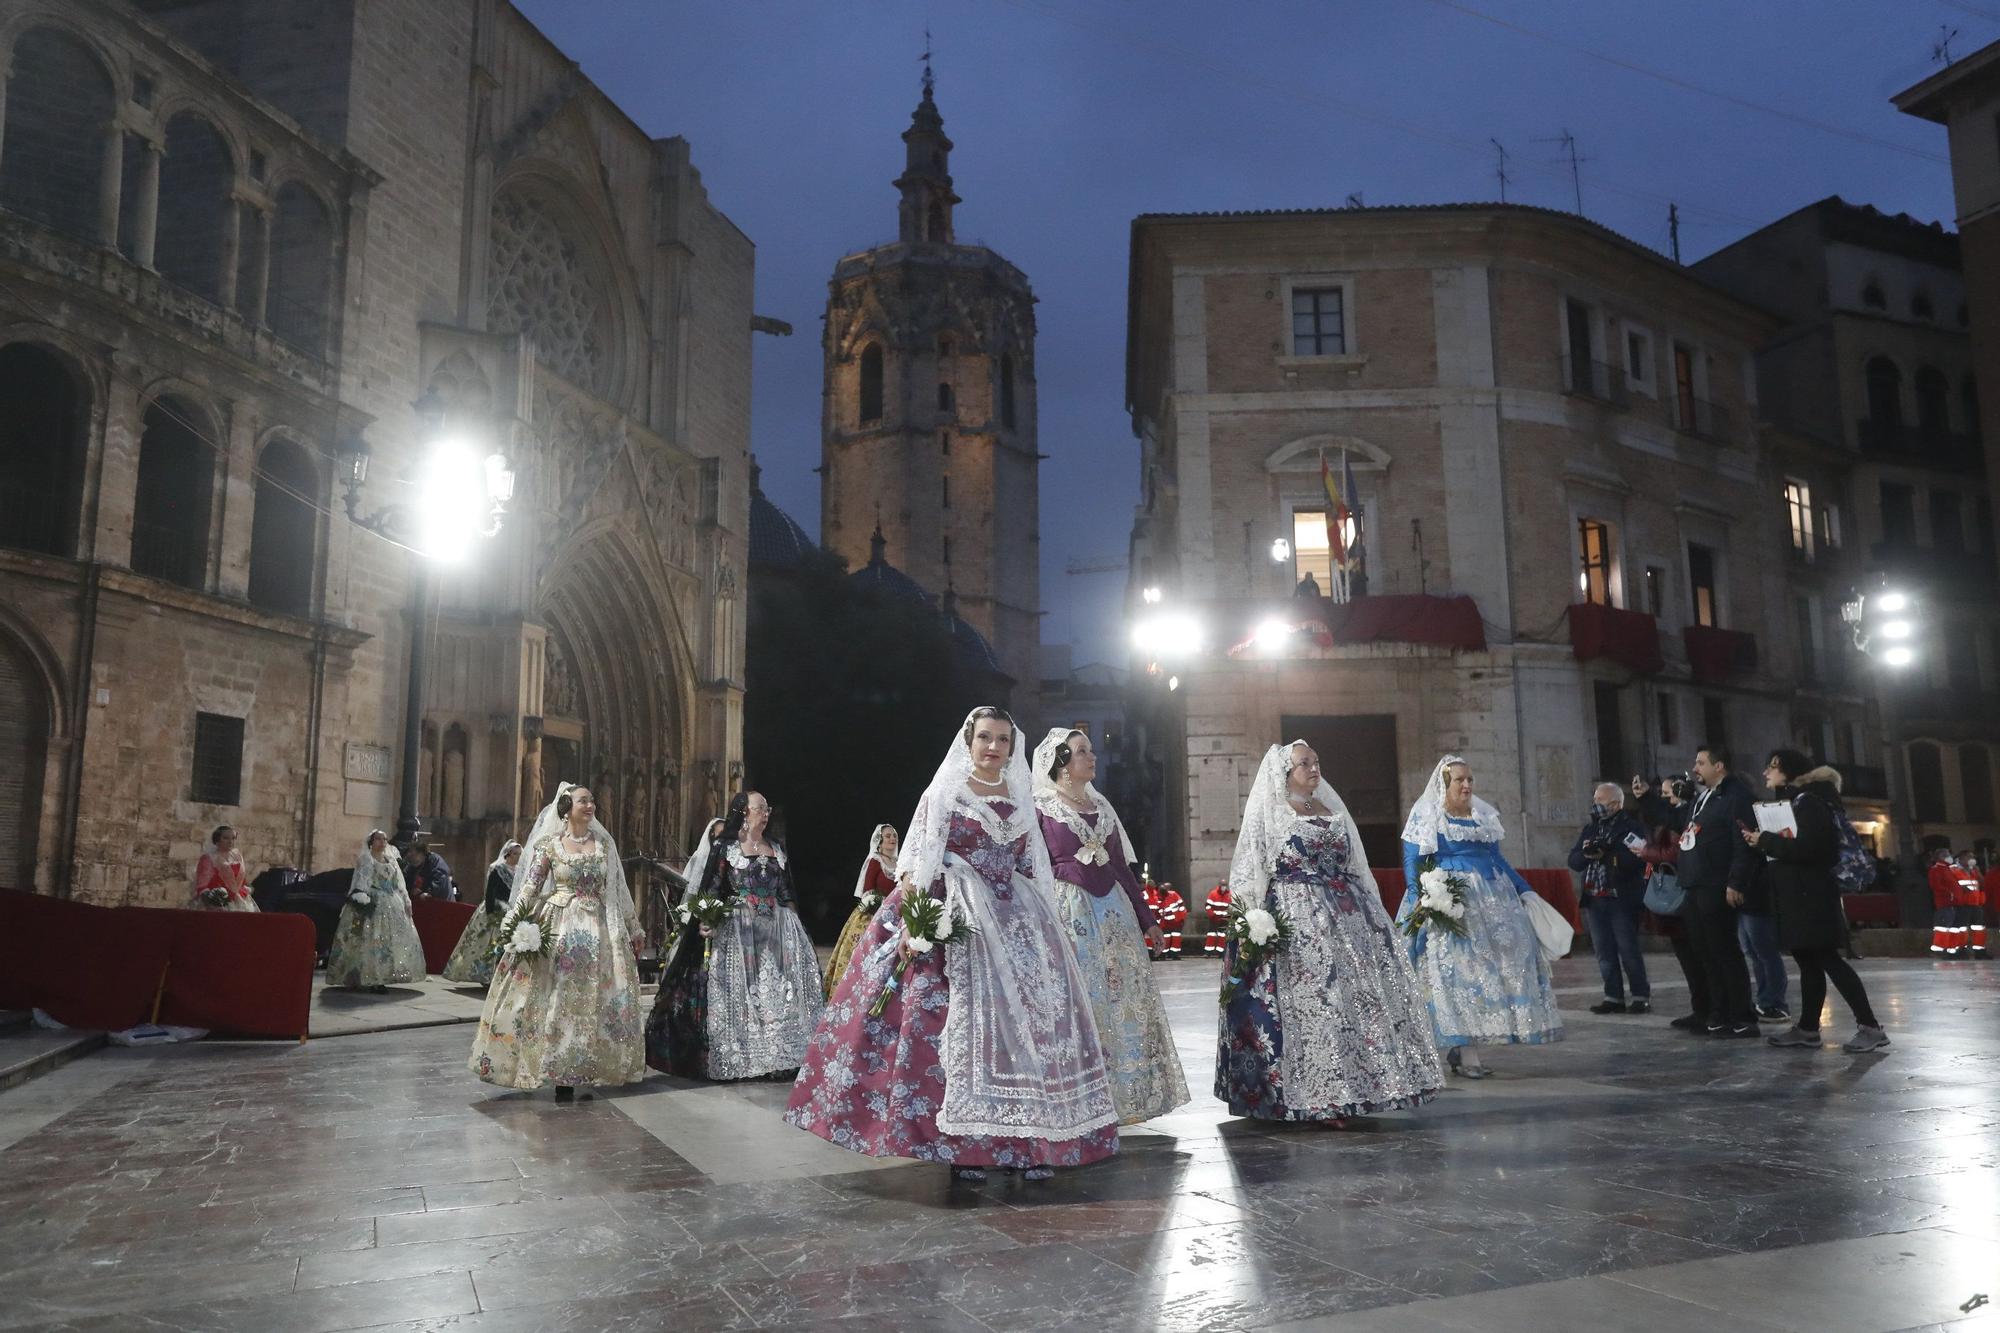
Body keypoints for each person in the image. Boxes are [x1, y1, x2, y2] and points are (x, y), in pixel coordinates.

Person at [786, 707, 1119, 1182]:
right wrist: (914, 924)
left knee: (1028, 1029)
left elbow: (1032, 861)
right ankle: (967, 1148)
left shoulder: (1022, 793)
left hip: (1018, 916)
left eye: (1002, 740)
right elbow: (920, 857)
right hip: (958, 911)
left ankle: (1028, 1141)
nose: (993, 748)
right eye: (985, 737)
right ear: (969, 741)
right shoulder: (946, 791)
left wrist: (1048, 922)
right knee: (958, 1027)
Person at [1218, 741, 1444, 1122]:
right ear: (1284, 773)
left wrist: (1375, 915)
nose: (1313, 768)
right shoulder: (1272, 813)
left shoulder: (1331, 809)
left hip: (1348, 916)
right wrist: (1250, 921)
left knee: (1354, 1001)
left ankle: (1357, 1088)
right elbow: (1250, 865)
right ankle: (1319, 1095)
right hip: (1296, 916)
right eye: (1304, 763)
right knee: (1315, 1002)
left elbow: (1356, 863)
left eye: (1316, 761)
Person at [1033, 727, 1189, 1125]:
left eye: (1091, 750)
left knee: (1121, 998)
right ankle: (1078, 1098)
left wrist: (1147, 920)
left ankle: (1123, 1096)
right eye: (1083, 751)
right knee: (1080, 1000)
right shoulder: (1041, 807)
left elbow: (1121, 868)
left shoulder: (1102, 808)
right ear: (1063, 763)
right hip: (1069, 911)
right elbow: (1033, 867)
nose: (1093, 757)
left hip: (1114, 913)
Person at [470, 784, 645, 1099]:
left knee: (595, 1000)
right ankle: (560, 1072)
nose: (591, 805)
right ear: (567, 808)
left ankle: (587, 1068)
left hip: (599, 931)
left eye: (592, 800)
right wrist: (514, 924)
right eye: (583, 801)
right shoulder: (549, 846)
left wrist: (633, 928)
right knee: (560, 1000)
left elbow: (618, 889)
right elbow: (530, 888)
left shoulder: (604, 844)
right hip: (560, 927)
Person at [1398, 755, 1564, 1077]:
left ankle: (1466, 1050)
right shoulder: (1430, 817)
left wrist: (1524, 890)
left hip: (1493, 900)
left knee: (1501, 967)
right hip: (1452, 901)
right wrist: (1421, 899)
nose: (1467, 785)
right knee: (1461, 974)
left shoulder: (1482, 817)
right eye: (1459, 780)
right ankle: (1466, 1052)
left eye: (1470, 779)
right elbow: (1412, 860)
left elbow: (1498, 861)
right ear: (1445, 784)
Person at [648, 790, 823, 1080]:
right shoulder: (727, 847)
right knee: (741, 993)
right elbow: (713, 888)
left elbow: (787, 890)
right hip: (739, 930)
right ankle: (743, 1057)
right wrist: (707, 918)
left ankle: (779, 1056)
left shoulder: (776, 847)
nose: (765, 814)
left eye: (767, 809)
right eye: (760, 808)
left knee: (779, 992)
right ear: (744, 812)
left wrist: (797, 929)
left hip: (776, 928)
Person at [1743, 752, 1889, 1053]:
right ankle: (1808, 1029)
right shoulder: (1798, 801)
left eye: (1772, 766)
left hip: (1811, 896)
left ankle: (1870, 1027)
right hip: (1799, 894)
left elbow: (1813, 848)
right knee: (1809, 961)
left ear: (1789, 771)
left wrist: (1766, 841)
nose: (1766, 772)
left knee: (1827, 959)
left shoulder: (1808, 802)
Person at [1659, 745, 1761, 1038]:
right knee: (1704, 952)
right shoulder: (1704, 798)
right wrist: (1646, 801)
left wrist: (1736, 882)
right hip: (1695, 883)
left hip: (1717, 883)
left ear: (1719, 766)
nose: (1695, 768)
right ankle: (1716, 1012)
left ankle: (1741, 1015)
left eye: (1701, 762)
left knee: (1724, 951)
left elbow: (1743, 844)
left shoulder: (1736, 796)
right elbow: (1682, 825)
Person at [1567, 782, 1650, 1014]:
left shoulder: (1632, 828)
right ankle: (1613, 996)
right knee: (1603, 951)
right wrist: (1586, 853)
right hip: (1595, 898)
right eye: (1594, 800)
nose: (1595, 805)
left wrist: (1608, 854)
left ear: (1615, 804)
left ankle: (1640, 995)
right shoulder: (1590, 829)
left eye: (1599, 801)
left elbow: (1638, 859)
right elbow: (1573, 861)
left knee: (1628, 949)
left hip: (1621, 898)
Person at [326, 829, 426, 991]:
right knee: (369, 940)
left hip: (392, 903)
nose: (382, 842)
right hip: (373, 902)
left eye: (385, 839)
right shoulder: (367, 859)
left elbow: (398, 882)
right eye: (379, 839)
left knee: (387, 943)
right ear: (371, 842)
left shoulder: (391, 859)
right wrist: (361, 897)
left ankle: (382, 976)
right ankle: (365, 976)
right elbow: (361, 880)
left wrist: (405, 900)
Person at [824, 825, 898, 994]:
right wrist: (876, 906)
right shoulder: (875, 860)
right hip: (872, 913)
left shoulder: (899, 864)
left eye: (894, 836)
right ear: (879, 841)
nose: (892, 839)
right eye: (887, 836)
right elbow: (868, 890)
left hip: (893, 916)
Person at [442, 840, 523, 986]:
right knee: (486, 943)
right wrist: (491, 911)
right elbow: (490, 891)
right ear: (508, 854)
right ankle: (485, 975)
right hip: (496, 909)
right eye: (515, 854)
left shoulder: (519, 871)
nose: (518, 857)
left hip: (511, 910)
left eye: (519, 854)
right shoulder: (497, 869)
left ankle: (502, 974)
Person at [189, 826, 257, 911]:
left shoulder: (237, 856)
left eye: (233, 838)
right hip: (217, 903)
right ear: (217, 839)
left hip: (239, 901)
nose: (230, 842)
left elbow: (242, 880)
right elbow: (202, 885)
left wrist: (247, 889)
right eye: (225, 838)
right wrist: (213, 902)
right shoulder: (209, 858)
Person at [1928, 847, 1961, 956]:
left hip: (1953, 902)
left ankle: (1951, 949)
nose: (1949, 857)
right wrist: (1950, 894)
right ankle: (1942, 950)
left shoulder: (1948, 869)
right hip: (1945, 903)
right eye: (1946, 855)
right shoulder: (1936, 869)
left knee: (1952, 928)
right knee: (1944, 927)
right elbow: (1936, 885)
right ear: (1940, 857)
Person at [1957, 852, 1988, 958]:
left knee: (1979, 928)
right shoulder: (1955, 870)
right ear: (1961, 859)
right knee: (1962, 929)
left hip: (1976, 903)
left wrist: (1977, 871)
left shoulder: (1973, 870)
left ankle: (1980, 952)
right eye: (1969, 857)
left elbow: (1983, 883)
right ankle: (1961, 952)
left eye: (1973, 857)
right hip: (1963, 905)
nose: (1972, 859)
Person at [1148, 878, 1188, 957]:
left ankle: (1174, 954)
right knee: (1166, 937)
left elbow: (1181, 906)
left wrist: (1181, 917)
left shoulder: (1173, 895)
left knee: (1176, 937)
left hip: (1176, 921)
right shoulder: (1158, 898)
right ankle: (1164, 953)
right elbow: (1158, 912)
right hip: (1166, 922)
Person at [1203, 882, 1231, 956]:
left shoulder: (1229, 895)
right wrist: (1212, 914)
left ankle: (1220, 952)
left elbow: (1231, 907)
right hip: (1214, 919)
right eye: (1222, 885)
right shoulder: (1213, 894)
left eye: (1224, 885)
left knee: (1222, 936)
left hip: (1224, 919)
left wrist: (1228, 916)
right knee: (1211, 935)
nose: (1223, 887)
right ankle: (1208, 952)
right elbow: (1207, 906)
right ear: (1219, 886)